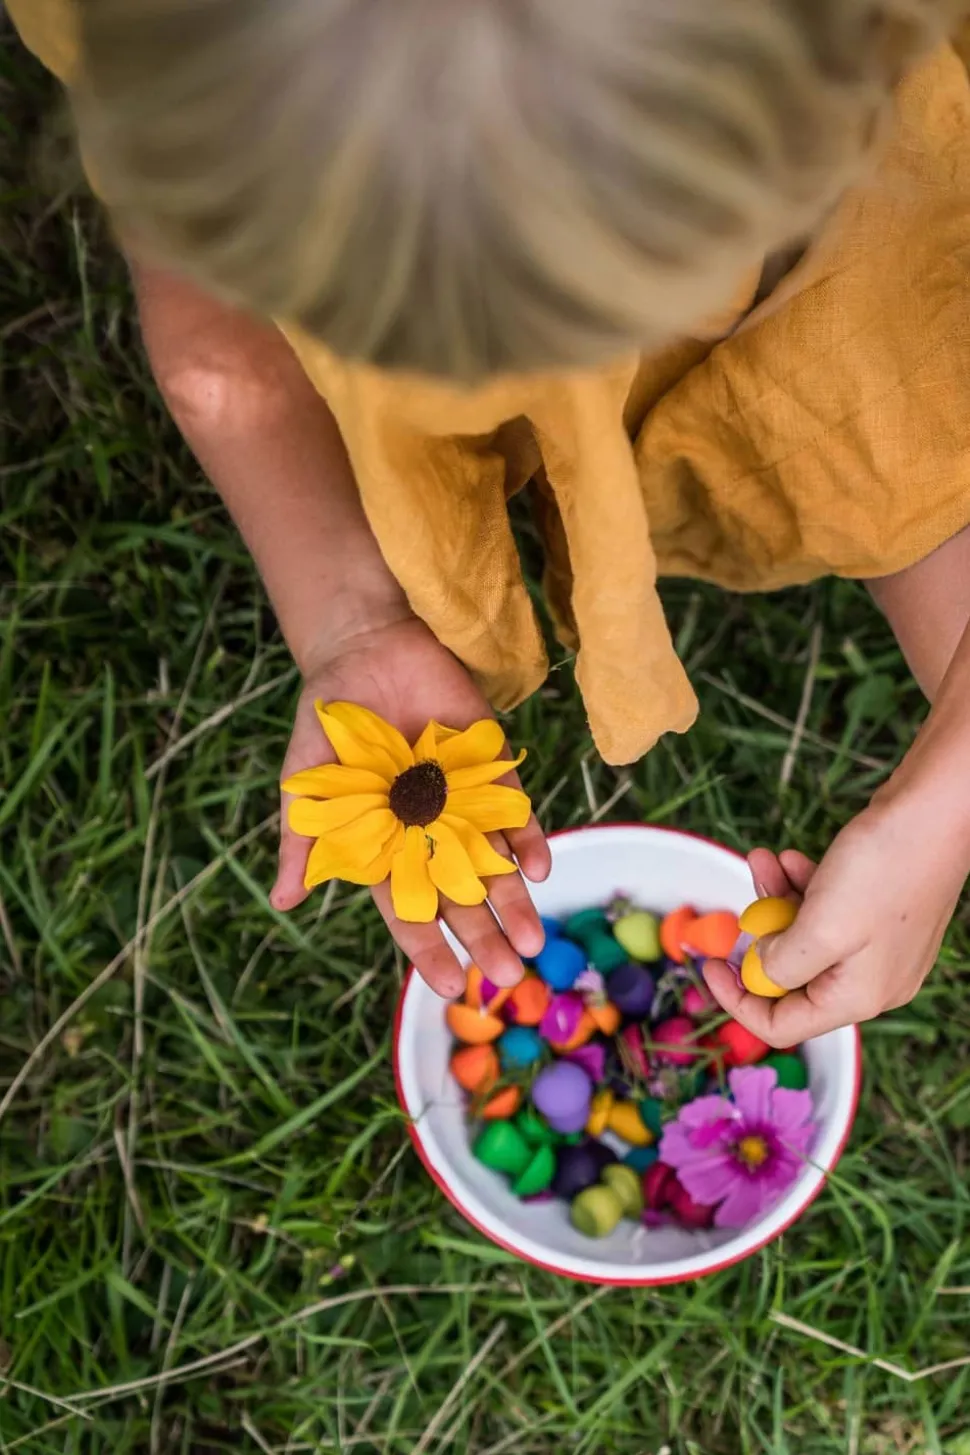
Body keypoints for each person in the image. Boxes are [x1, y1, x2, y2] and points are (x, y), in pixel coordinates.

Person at [10, 0, 970, 1045]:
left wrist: (944, 809)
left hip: (856, 254)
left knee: (899, 385)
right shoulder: (180, 59)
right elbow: (218, 354)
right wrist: (348, 613)